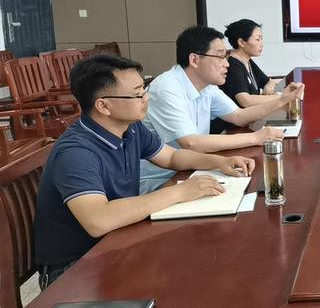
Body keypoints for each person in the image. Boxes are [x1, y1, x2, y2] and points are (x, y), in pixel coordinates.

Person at [34, 55, 255, 289]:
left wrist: (219, 162)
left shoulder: (131, 128)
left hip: (118, 240)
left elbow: (171, 157)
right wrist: (180, 192)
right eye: (137, 94)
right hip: (75, 269)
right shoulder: (77, 152)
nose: (146, 98)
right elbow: (98, 219)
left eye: (144, 89)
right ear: (103, 106)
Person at [140, 26, 304, 193]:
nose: (227, 64)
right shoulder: (167, 88)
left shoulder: (207, 86)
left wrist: (282, 100)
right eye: (220, 57)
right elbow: (191, 143)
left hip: (193, 169)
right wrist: (255, 137)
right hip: (161, 182)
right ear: (194, 60)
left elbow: (238, 115)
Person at [211, 19, 286, 134]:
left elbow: (269, 81)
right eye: (257, 39)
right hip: (230, 129)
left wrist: (269, 87)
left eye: (261, 39)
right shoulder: (233, 65)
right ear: (241, 42)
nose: (261, 44)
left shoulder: (247, 61)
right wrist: (283, 98)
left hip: (247, 122)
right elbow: (245, 100)